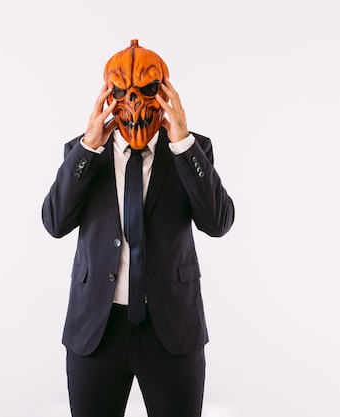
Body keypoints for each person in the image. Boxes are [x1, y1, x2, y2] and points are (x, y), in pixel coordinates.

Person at [42, 40, 235, 417]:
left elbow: (218, 222)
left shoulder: (192, 151)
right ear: (108, 97)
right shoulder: (82, 153)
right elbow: (54, 222)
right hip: (97, 328)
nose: (132, 104)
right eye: (121, 92)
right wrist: (87, 147)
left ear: (164, 93)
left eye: (147, 90)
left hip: (171, 328)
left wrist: (183, 144)